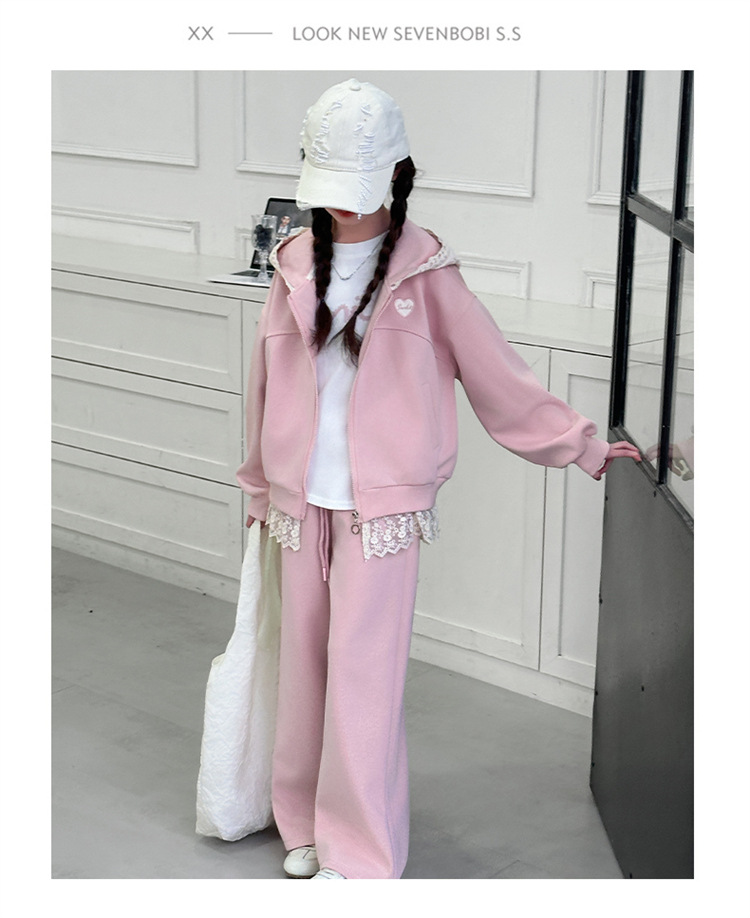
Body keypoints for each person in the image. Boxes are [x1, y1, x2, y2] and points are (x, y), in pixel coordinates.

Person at [236, 78, 641, 881]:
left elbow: (499, 377)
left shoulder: (428, 275)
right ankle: (302, 820)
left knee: (364, 680)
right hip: (296, 503)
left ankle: (360, 850)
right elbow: (265, 385)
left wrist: (584, 446)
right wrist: (257, 485)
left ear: (396, 174)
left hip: (382, 512)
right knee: (301, 670)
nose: (341, 205)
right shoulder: (293, 266)